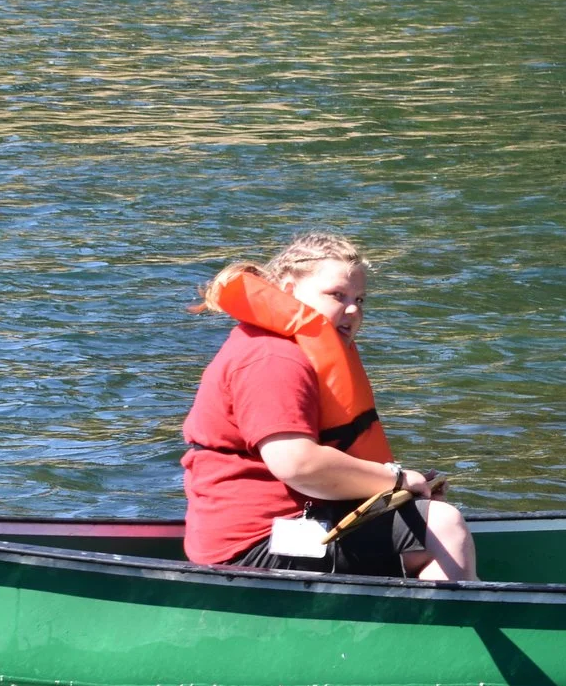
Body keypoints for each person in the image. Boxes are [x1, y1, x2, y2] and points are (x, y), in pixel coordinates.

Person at [180, 231, 477, 581]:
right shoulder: (272, 358)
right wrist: (395, 479)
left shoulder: (296, 350)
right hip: (258, 546)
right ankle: (437, 634)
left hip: (301, 524)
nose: (352, 309)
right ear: (288, 291)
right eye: (337, 295)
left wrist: (406, 486)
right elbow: (298, 464)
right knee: (442, 526)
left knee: (426, 510)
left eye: (361, 300)